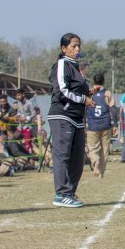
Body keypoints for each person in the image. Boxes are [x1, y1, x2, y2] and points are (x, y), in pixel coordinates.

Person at [47, 33, 99, 208]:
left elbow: (76, 90)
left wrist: (90, 92)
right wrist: (84, 100)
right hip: (62, 115)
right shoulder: (62, 64)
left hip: (77, 118)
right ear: (64, 48)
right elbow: (61, 91)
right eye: (74, 46)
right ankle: (61, 193)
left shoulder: (75, 67)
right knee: (62, 155)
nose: (77, 49)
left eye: (79, 46)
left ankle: (70, 193)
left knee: (77, 159)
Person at [86, 73, 115, 178]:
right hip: (105, 124)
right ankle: (101, 172)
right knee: (105, 149)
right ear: (103, 81)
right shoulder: (107, 93)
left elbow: (84, 107)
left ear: (94, 82)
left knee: (92, 148)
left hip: (93, 124)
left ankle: (95, 162)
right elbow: (112, 108)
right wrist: (115, 124)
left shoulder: (90, 93)